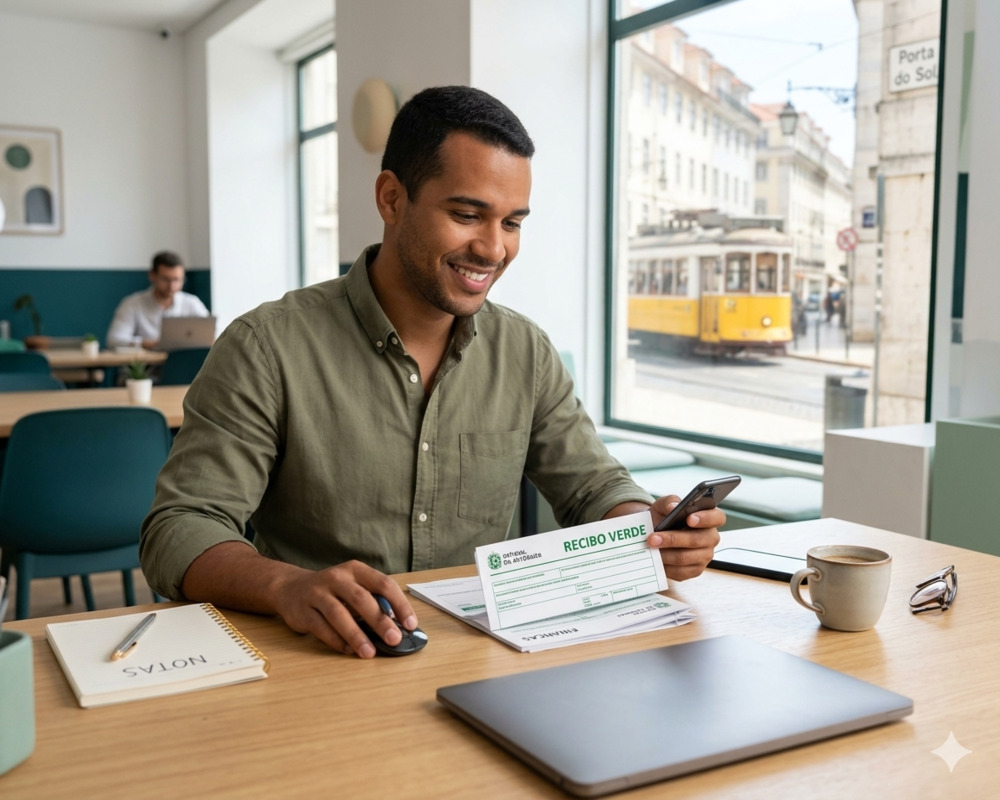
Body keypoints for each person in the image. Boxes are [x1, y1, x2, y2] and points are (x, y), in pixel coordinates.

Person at [140, 86, 724, 659]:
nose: (494, 249)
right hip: (320, 665)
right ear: (392, 199)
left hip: (480, 661)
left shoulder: (524, 351)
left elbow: (593, 486)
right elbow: (180, 527)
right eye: (468, 214)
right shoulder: (266, 347)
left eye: (513, 223)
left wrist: (649, 528)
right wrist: (285, 586)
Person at [106, 250, 210, 349]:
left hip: (183, 364)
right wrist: (148, 344)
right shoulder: (132, 304)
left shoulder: (191, 303)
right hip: (145, 366)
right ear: (152, 275)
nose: (171, 286)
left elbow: (211, 333)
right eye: (166, 279)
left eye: (177, 280)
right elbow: (114, 339)